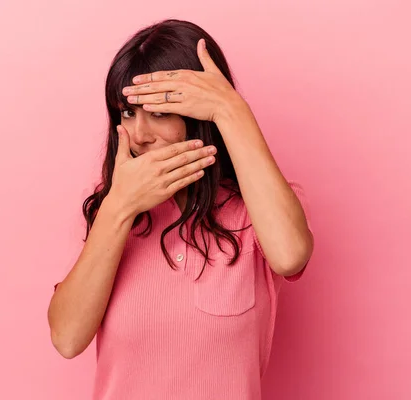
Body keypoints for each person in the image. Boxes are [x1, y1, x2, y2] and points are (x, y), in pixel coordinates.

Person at [47, 18, 314, 400]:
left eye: (158, 113)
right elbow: (68, 338)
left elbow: (290, 256)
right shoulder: (111, 211)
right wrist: (118, 208)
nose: (139, 134)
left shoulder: (251, 208)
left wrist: (230, 109)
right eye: (127, 113)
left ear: (200, 117)